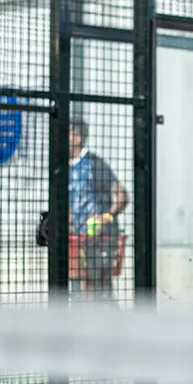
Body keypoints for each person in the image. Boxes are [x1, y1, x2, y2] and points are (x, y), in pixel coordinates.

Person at [67, 117, 127, 300]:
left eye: (67, 134)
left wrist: (106, 217)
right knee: (80, 285)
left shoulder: (94, 164)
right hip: (79, 238)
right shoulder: (65, 167)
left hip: (100, 238)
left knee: (100, 287)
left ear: (77, 138)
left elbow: (122, 195)